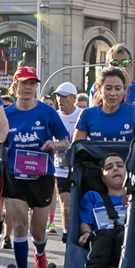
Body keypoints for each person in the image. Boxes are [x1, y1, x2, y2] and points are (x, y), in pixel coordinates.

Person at [0, 67, 69, 268]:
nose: (28, 87)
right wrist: (2, 146)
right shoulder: (5, 114)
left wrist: (53, 145)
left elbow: (65, 141)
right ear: (15, 85)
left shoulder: (47, 112)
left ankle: (40, 253)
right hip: (15, 175)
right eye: (24, 83)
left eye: (32, 83)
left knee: (38, 230)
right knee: (19, 225)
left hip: (42, 175)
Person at [69, 151, 127, 268]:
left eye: (120, 165)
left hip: (127, 240)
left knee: (124, 237)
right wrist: (86, 233)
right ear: (103, 177)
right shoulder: (92, 197)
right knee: (104, 236)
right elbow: (85, 221)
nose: (115, 168)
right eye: (109, 167)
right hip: (102, 239)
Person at [50, 81, 82, 234]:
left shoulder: (82, 114)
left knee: (79, 202)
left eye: (64, 97)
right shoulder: (54, 116)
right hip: (60, 166)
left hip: (79, 165)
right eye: (58, 97)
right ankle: (66, 232)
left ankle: (79, 230)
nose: (60, 101)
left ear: (73, 98)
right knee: (65, 202)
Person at [74, 67, 135, 144]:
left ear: (124, 89)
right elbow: (76, 148)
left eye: (117, 89)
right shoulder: (87, 114)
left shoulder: (134, 112)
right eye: (108, 88)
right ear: (99, 89)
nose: (113, 93)